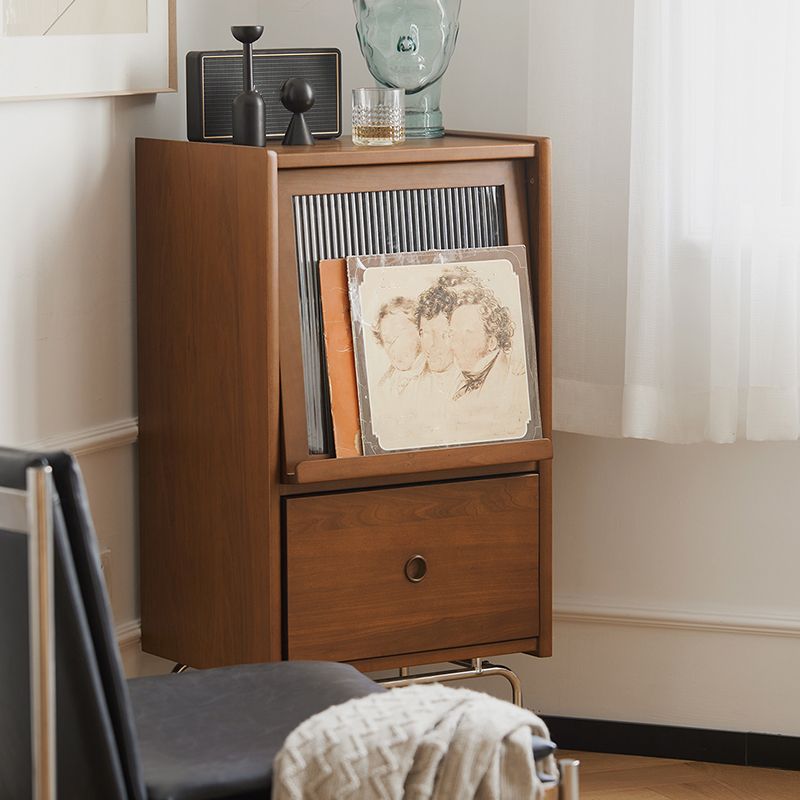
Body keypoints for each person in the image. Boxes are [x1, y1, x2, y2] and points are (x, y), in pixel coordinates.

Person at [372, 296, 425, 396]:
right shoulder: (385, 383)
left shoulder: (437, 376)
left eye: (400, 337)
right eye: (388, 341)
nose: (395, 349)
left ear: (419, 331)